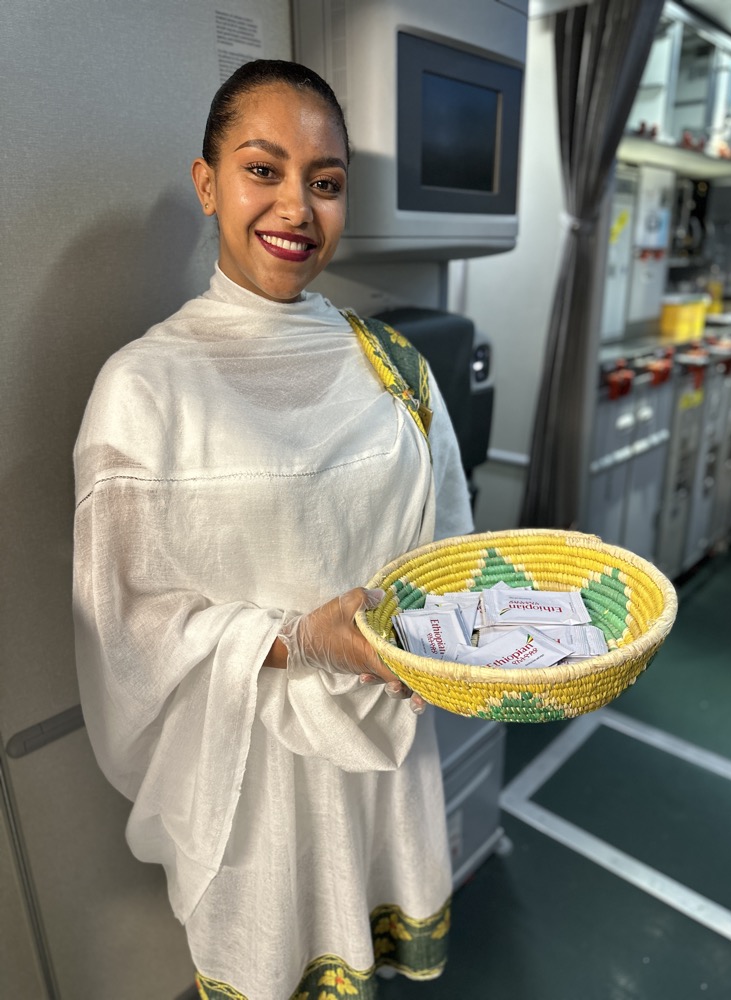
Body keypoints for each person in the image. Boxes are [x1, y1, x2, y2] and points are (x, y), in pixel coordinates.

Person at [73, 59, 473, 1000]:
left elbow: (445, 551)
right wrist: (297, 639)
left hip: (384, 752)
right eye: (264, 169)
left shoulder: (395, 370)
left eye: (325, 183)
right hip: (254, 785)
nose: (296, 206)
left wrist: (470, 640)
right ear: (207, 183)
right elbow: (121, 623)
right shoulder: (143, 391)